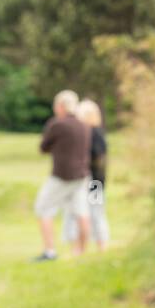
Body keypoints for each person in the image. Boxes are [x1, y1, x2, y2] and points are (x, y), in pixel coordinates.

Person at [33, 89, 91, 260]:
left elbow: (43, 147)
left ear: (61, 106)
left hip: (62, 175)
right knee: (82, 212)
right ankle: (81, 251)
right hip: (82, 175)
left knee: (43, 208)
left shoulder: (57, 124)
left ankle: (50, 251)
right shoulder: (84, 125)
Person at [64, 99, 108, 252]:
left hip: (94, 181)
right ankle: (83, 246)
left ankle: (100, 245)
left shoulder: (94, 133)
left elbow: (97, 158)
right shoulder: (90, 132)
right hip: (89, 180)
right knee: (82, 213)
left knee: (95, 213)